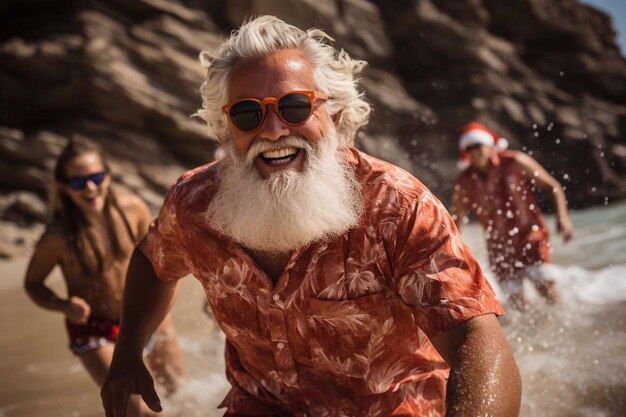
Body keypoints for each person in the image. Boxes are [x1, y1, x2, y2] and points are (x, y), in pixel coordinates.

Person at [101, 16, 521, 417]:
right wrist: (127, 356)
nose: (273, 130)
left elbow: (475, 338)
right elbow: (153, 261)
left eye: (295, 107)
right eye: (248, 113)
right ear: (226, 129)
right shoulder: (193, 203)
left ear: (334, 116)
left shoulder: (397, 206)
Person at [24, 138, 185, 416]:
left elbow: (160, 261)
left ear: (108, 176)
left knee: (181, 394)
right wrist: (63, 305)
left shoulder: (132, 209)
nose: (90, 187)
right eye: (78, 182)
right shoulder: (57, 237)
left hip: (147, 315)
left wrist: (160, 311)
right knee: (137, 413)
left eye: (96, 177)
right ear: (63, 187)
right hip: (95, 329)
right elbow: (32, 283)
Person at [452, 122, 575, 311]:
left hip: (531, 238)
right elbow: (457, 219)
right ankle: (537, 340)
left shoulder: (515, 162)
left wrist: (563, 218)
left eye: (478, 145)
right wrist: (454, 253)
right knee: (519, 307)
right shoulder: (464, 181)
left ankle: (572, 328)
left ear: (489, 145)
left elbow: (553, 187)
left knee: (548, 291)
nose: (475, 151)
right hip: (499, 248)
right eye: (469, 148)